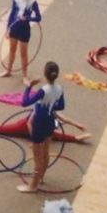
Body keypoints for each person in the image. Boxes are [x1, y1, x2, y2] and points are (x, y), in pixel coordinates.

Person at [16, 60, 82, 193]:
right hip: (50, 122)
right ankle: (41, 177)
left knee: (37, 157)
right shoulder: (59, 89)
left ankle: (32, 186)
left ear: (44, 74)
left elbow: (24, 102)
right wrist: (50, 105)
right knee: (45, 152)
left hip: (39, 123)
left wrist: (29, 86)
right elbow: (61, 106)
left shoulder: (43, 90)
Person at [1, 0, 41, 79]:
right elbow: (12, 13)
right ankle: (8, 70)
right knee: (12, 50)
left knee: (23, 53)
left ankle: (24, 76)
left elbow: (38, 17)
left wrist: (27, 18)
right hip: (14, 27)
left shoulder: (33, 2)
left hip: (24, 29)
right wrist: (7, 28)